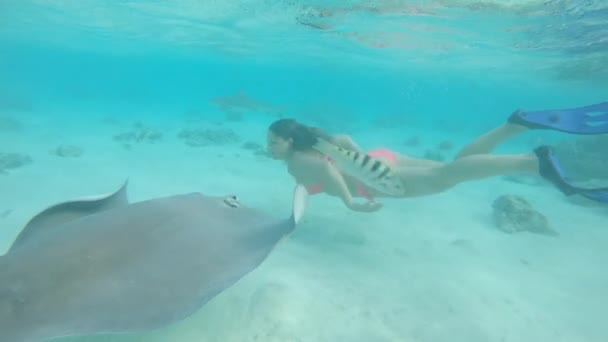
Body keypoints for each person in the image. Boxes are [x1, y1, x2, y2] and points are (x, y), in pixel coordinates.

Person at [266, 102, 608, 213]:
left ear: (289, 141)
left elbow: (329, 177)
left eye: (273, 142)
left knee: (448, 177)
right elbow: (344, 142)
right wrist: (358, 158)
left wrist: (349, 203)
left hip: (377, 180)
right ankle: (513, 126)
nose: (269, 148)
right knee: (452, 169)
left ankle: (533, 163)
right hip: (379, 158)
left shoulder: (298, 160)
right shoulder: (317, 143)